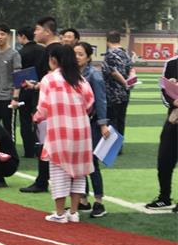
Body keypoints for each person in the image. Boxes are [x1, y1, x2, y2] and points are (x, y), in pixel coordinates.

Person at [33, 44, 94, 223]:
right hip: (82, 131)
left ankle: (60, 213)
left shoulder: (49, 79)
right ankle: (73, 212)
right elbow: (90, 103)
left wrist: (35, 117)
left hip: (59, 131)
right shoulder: (81, 80)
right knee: (79, 172)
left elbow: (43, 109)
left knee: (59, 171)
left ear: (53, 60)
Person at [19, 16, 62, 193]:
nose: (34, 32)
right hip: (50, 102)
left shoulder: (53, 50)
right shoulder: (53, 49)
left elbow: (50, 78)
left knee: (44, 143)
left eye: (37, 29)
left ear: (47, 31)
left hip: (48, 105)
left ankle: (43, 180)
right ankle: (45, 179)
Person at [75, 42, 111, 218]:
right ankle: (83, 200)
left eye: (80, 54)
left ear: (88, 57)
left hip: (92, 123)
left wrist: (103, 124)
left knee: (91, 162)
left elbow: (101, 100)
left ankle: (99, 202)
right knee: (79, 161)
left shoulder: (94, 75)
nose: (76, 57)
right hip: (77, 123)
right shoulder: (72, 74)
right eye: (74, 54)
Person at [145, 54, 178, 212]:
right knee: (164, 159)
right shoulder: (171, 63)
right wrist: (173, 102)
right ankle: (164, 197)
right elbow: (164, 91)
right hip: (174, 119)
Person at [101, 30, 134, 154]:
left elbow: (113, 72)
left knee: (112, 120)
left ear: (107, 40)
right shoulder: (126, 54)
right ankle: (119, 146)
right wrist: (129, 82)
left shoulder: (110, 55)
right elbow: (132, 70)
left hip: (112, 93)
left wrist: (124, 82)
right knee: (121, 120)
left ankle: (112, 147)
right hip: (125, 93)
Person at [16, 26, 44, 158]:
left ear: (22, 36)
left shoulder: (20, 53)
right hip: (41, 88)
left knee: (25, 121)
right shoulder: (43, 50)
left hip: (25, 89)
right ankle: (40, 147)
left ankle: (29, 150)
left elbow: (18, 74)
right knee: (40, 119)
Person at [0, 24, 22, 136]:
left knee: (8, 130)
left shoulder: (14, 54)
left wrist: (15, 98)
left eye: (2, 34)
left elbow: (18, 77)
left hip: (8, 98)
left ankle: (10, 148)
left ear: (8, 36)